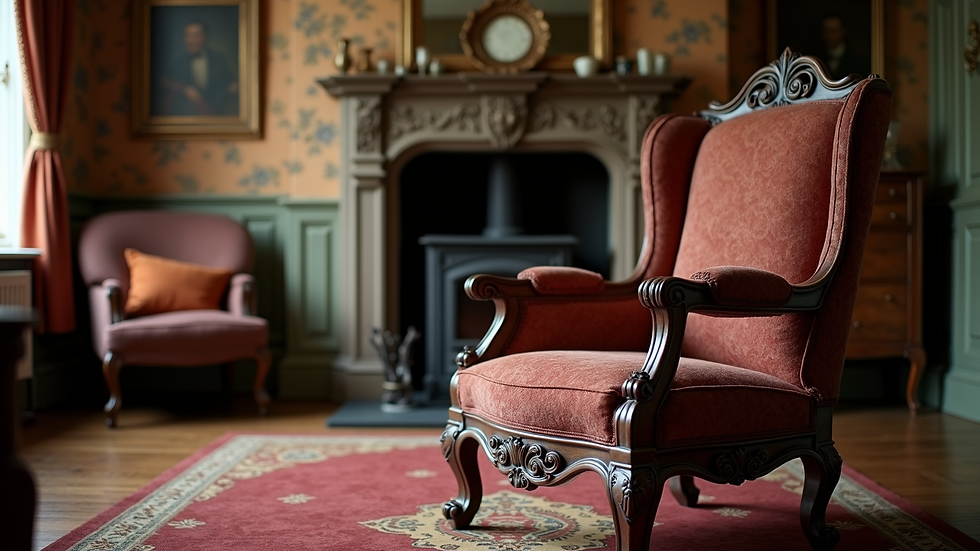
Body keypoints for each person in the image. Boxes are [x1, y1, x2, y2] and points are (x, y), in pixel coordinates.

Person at [155, 21, 239, 116]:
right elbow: (165, 81)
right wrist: (185, 89)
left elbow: (231, 81)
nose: (190, 41)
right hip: (188, 114)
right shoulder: (179, 62)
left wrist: (233, 86)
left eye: (195, 36)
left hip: (216, 110)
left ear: (204, 36)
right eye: (187, 36)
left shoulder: (218, 59)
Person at [819, 13, 870, 80]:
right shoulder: (817, 58)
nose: (829, 35)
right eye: (826, 31)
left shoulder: (858, 62)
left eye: (833, 31)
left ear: (843, 31)